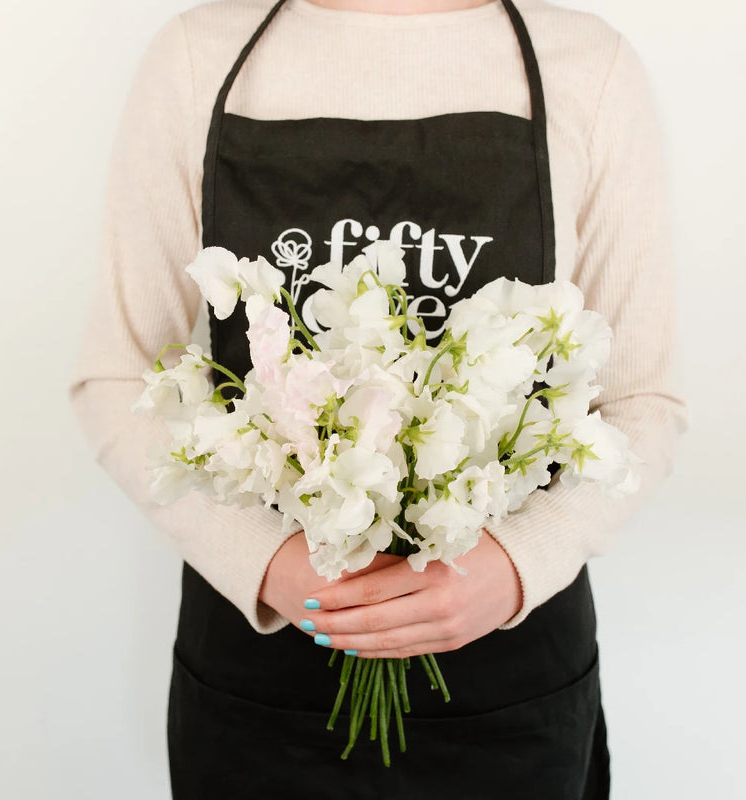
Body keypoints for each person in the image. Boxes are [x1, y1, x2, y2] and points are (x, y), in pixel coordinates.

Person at [70, 0, 688, 796]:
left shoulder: (588, 66)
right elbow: (116, 375)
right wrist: (271, 565)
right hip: (263, 681)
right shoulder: (197, 57)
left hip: (508, 688)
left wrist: (515, 564)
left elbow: (644, 401)